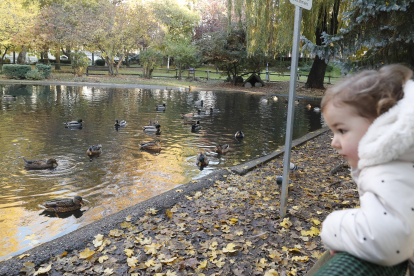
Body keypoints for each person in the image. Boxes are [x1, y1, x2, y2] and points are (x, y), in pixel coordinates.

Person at [318, 64, 414, 275]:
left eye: (341, 130)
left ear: (381, 122)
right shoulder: (400, 160)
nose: (334, 142)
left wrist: (332, 228)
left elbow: (389, 240)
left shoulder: (389, 172)